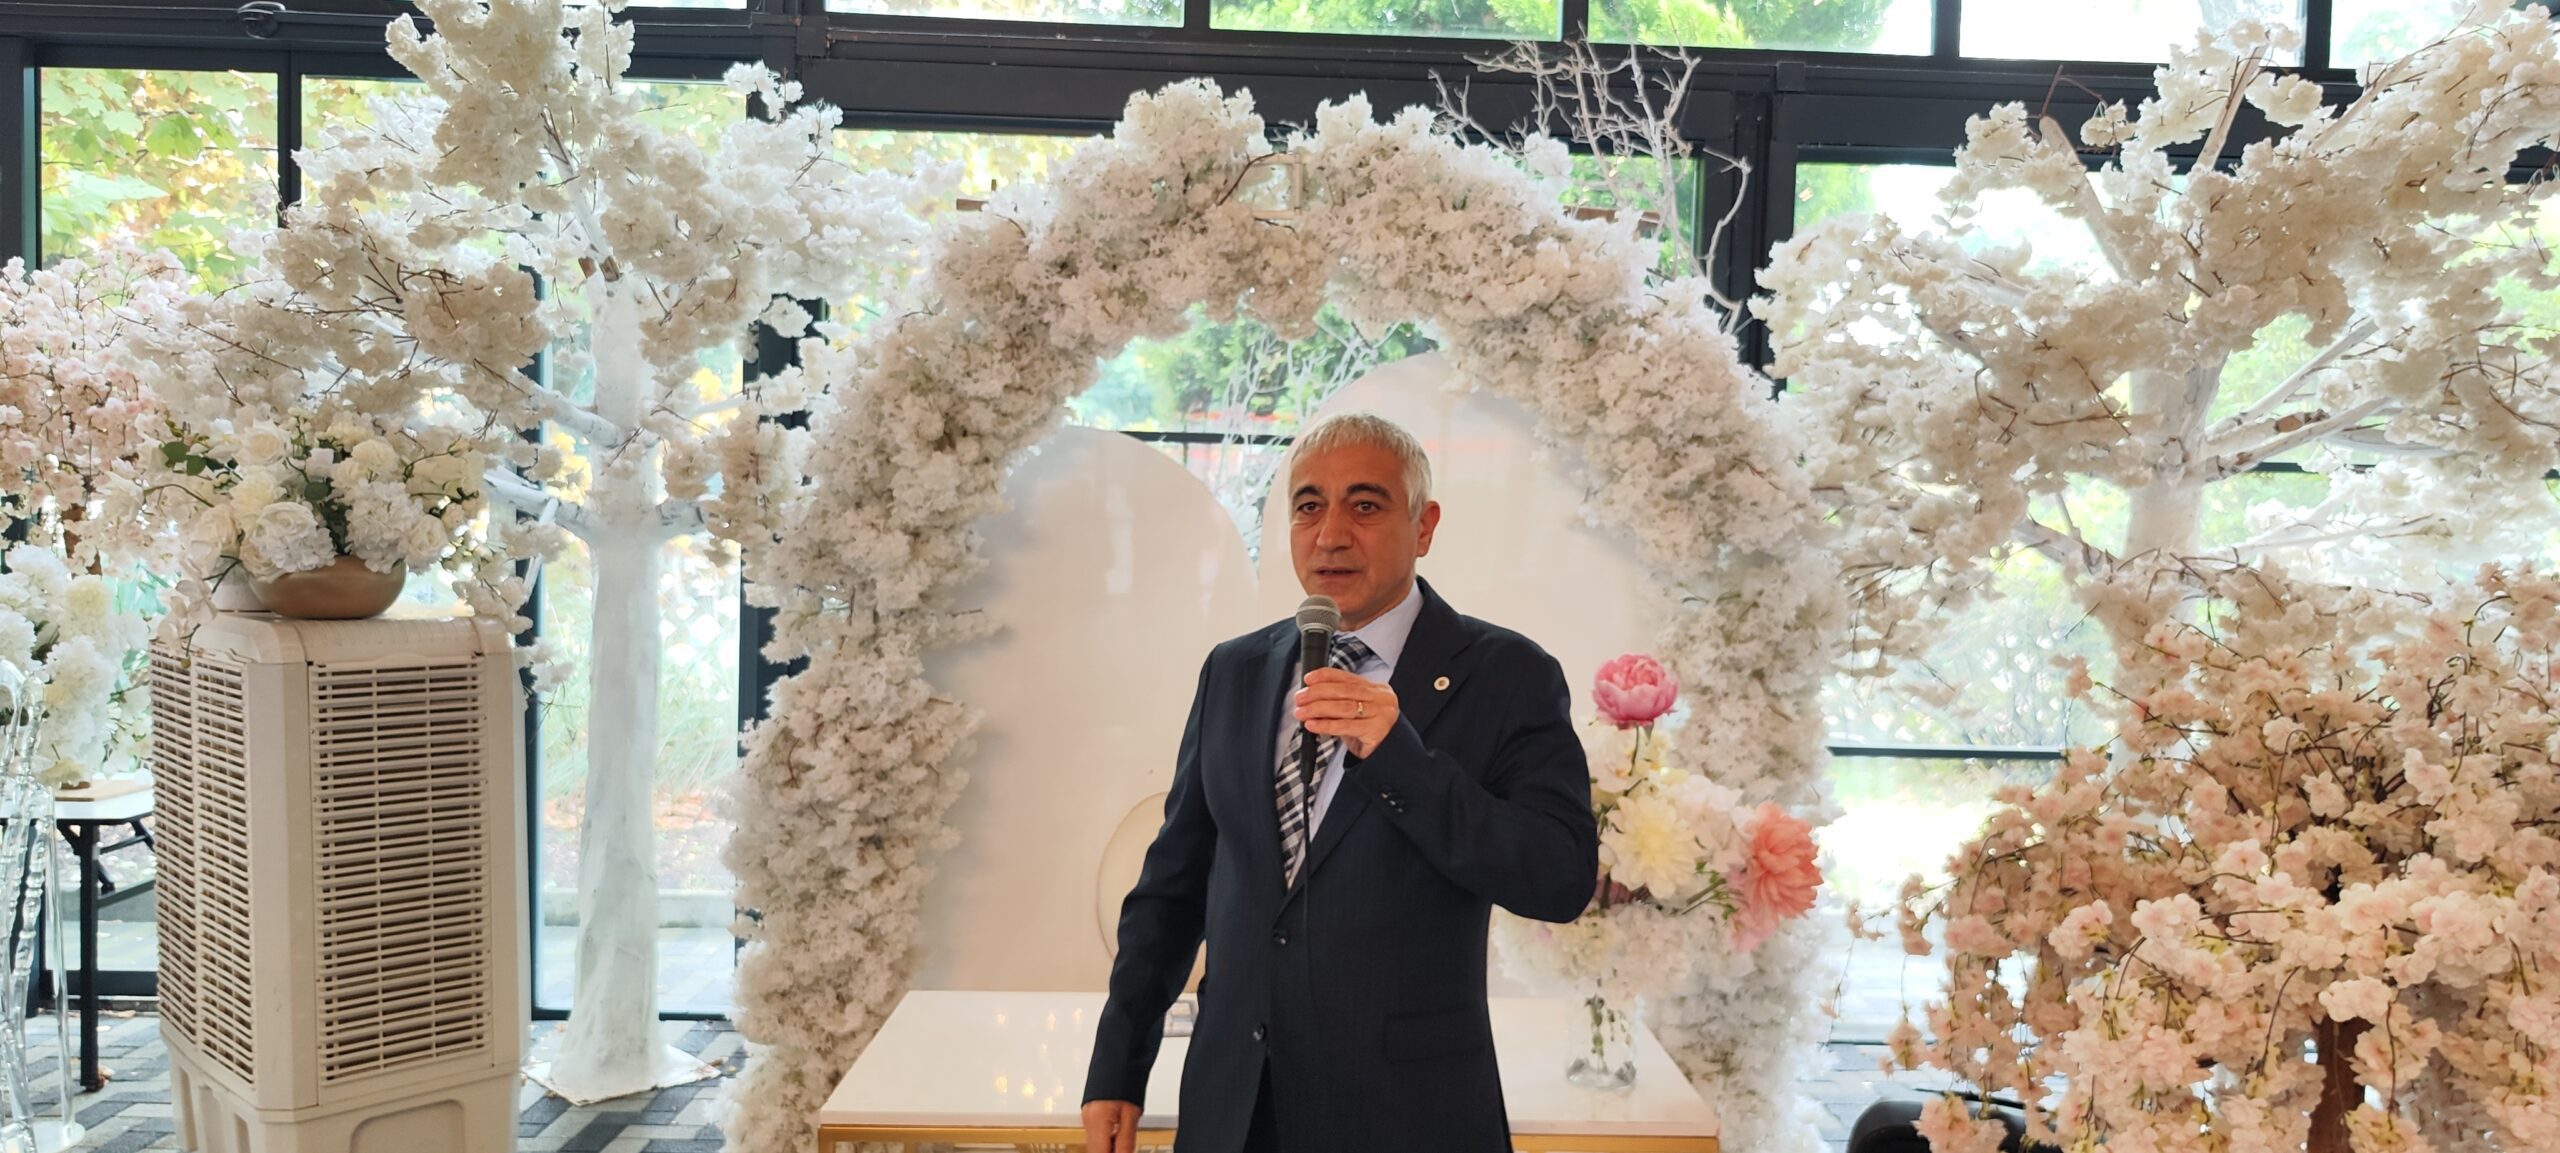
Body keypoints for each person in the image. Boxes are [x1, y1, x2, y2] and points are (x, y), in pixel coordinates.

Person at [1081, 412, 1600, 1153]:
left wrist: (1399, 755)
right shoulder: (1235, 670)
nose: (1330, 534)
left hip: (1408, 1115)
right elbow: (1173, 887)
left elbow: (1558, 878)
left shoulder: (1508, 674)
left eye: (1364, 505)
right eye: (1308, 505)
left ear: (1424, 526)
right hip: (1234, 1108)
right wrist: (1118, 1064)